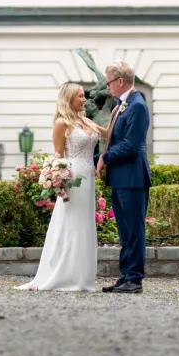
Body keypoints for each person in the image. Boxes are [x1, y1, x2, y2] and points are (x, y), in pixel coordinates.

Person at [15, 83, 107, 291]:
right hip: (72, 177)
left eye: (84, 96)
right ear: (70, 99)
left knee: (84, 222)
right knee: (70, 221)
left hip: (88, 176)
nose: (85, 99)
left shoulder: (87, 121)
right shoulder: (61, 123)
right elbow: (59, 157)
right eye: (81, 96)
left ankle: (82, 276)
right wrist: (58, 179)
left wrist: (117, 109)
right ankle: (62, 274)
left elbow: (107, 134)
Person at [96, 60, 151, 294]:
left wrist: (104, 158)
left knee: (134, 229)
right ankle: (125, 275)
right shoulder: (120, 105)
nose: (107, 87)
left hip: (132, 178)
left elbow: (130, 145)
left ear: (120, 81)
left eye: (108, 82)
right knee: (124, 231)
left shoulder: (137, 105)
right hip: (120, 178)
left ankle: (135, 279)